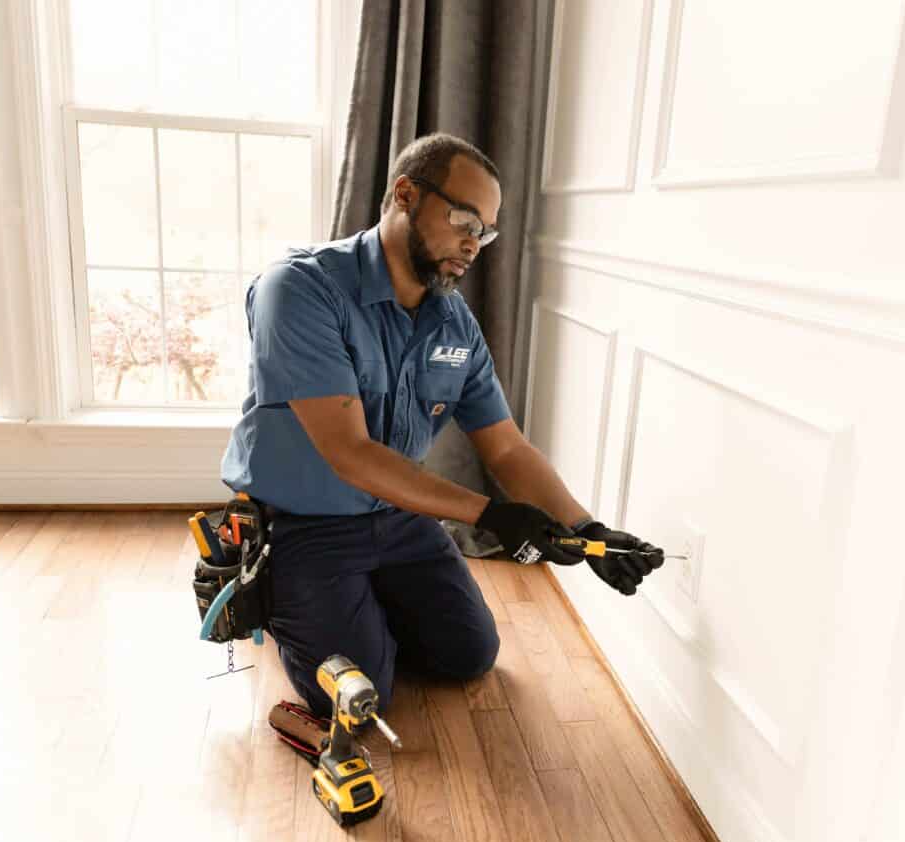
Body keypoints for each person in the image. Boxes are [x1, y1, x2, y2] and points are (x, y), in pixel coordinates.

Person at [221, 132, 663, 717]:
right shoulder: (300, 290)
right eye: (464, 220)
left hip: (397, 516)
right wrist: (492, 515)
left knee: (469, 654)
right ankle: (282, 597)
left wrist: (589, 529)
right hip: (304, 526)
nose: (475, 243)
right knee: (361, 695)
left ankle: (357, 604)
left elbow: (505, 448)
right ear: (405, 194)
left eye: (487, 231)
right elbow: (349, 453)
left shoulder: (454, 323)